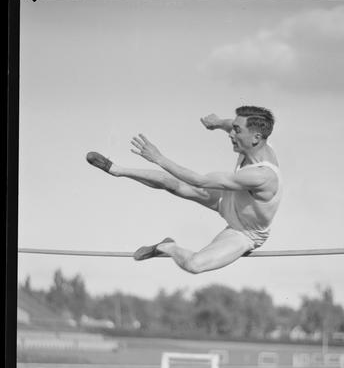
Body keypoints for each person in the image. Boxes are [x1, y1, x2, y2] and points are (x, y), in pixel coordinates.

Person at [86, 105, 282, 273]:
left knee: (194, 265)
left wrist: (159, 158)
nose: (231, 133)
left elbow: (199, 181)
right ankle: (117, 170)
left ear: (256, 137)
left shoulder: (262, 176)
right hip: (232, 200)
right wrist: (218, 123)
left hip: (245, 232)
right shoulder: (254, 141)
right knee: (174, 185)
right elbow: (231, 123)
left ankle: (167, 247)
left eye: (236, 131)